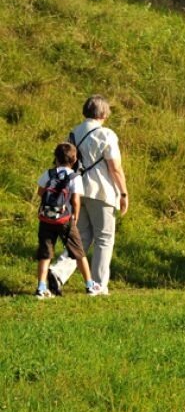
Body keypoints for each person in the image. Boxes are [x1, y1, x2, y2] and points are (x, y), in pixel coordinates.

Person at [48, 95, 129, 296]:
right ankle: (99, 285)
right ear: (103, 113)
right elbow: (115, 167)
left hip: (77, 190)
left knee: (81, 237)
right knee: (104, 238)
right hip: (101, 191)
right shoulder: (106, 134)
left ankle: (57, 272)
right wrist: (124, 193)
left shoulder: (74, 133)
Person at [34, 143, 103, 298]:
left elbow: (40, 192)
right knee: (78, 252)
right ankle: (90, 286)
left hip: (46, 219)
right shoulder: (74, 177)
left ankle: (41, 288)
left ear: (55, 158)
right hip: (65, 220)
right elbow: (76, 200)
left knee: (45, 254)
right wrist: (75, 215)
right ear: (74, 159)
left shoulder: (49, 173)